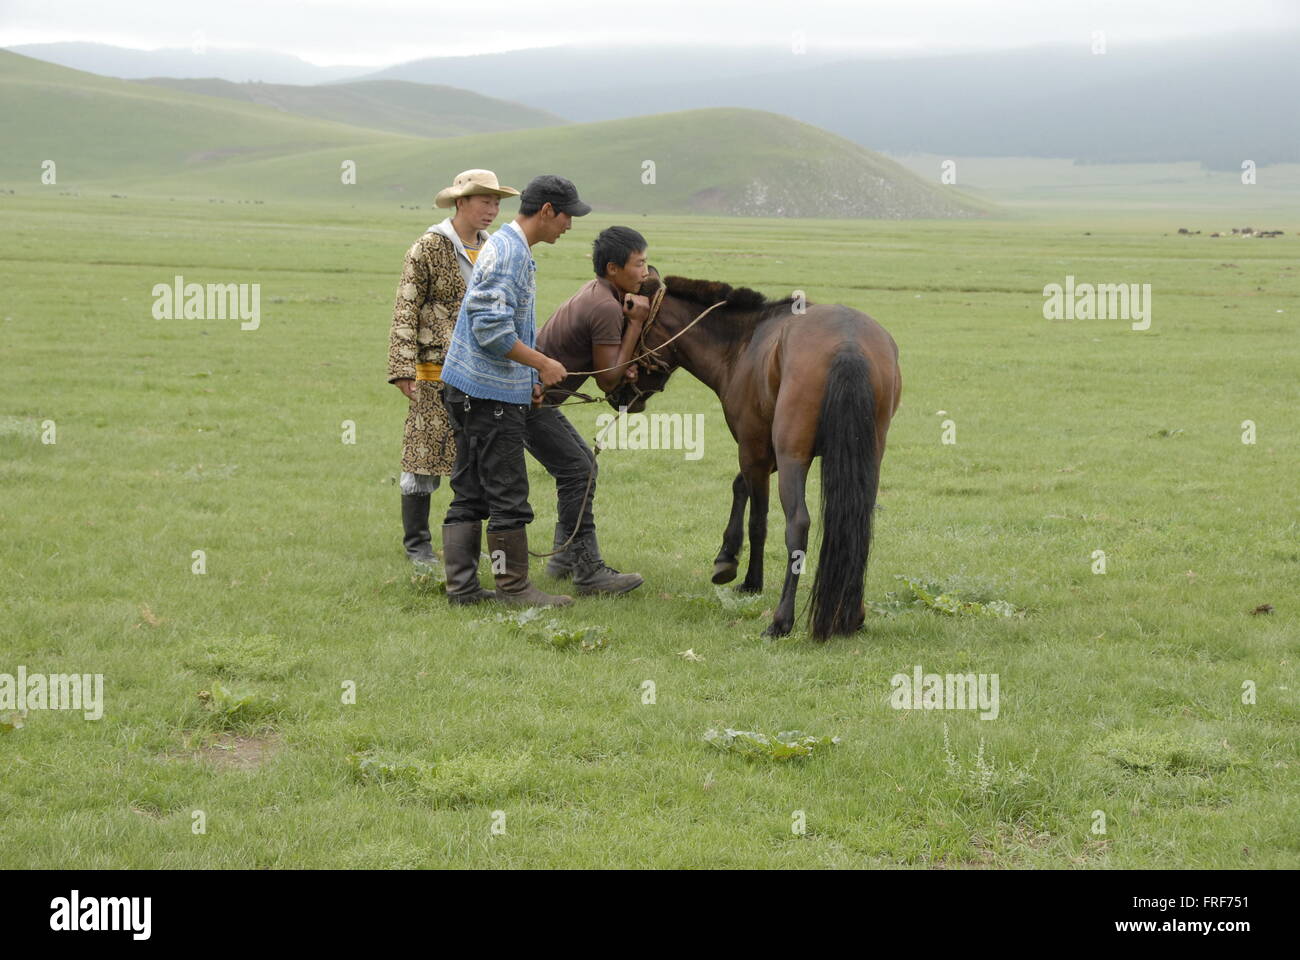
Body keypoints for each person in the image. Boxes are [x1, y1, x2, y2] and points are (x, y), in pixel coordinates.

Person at [438, 175, 590, 607]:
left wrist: (529, 381)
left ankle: (463, 590)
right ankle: (514, 588)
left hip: (468, 387)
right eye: (567, 216)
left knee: (469, 489)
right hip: (488, 396)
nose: (569, 226)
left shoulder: (506, 246)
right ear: (546, 211)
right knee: (507, 494)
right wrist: (542, 363)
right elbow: (491, 330)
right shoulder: (509, 254)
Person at [386, 169, 519, 567]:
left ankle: (462, 541)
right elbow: (406, 306)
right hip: (433, 368)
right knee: (424, 455)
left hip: (479, 371)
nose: (492, 210)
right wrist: (401, 367)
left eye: (496, 202)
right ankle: (418, 545)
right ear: (461, 202)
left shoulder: (494, 247)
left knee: (474, 456)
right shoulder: (429, 247)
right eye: (485, 201)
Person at [530, 226, 652, 595]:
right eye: (639, 264)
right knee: (579, 469)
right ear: (614, 268)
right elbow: (608, 379)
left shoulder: (599, 291)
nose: (645, 273)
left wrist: (622, 356)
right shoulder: (606, 306)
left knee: (580, 466)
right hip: (527, 400)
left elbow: (610, 364)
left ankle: (563, 560)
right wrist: (635, 324)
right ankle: (588, 571)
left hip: (532, 396)